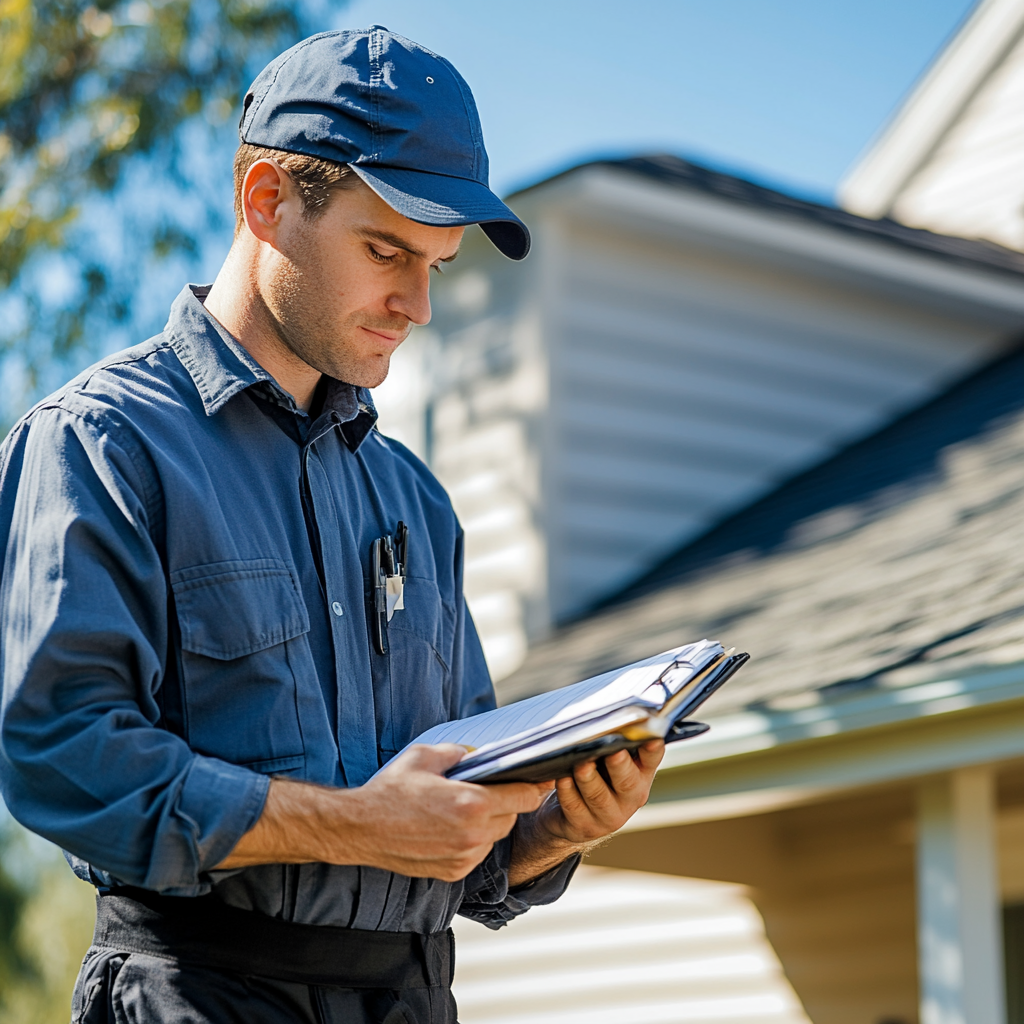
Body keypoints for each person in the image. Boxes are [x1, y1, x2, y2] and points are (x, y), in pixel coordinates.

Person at [0, 27, 664, 1024]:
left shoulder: (415, 502)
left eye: (436, 263)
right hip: (196, 994)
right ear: (267, 201)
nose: (417, 304)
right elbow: (60, 755)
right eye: (386, 250)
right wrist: (360, 825)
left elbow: (453, 846)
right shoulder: (103, 443)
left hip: (411, 996)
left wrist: (549, 830)